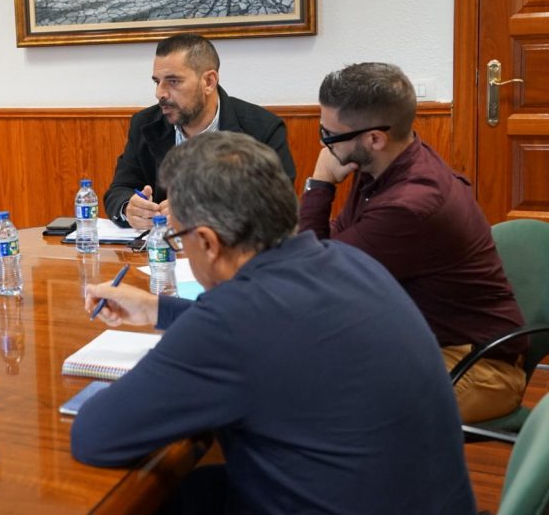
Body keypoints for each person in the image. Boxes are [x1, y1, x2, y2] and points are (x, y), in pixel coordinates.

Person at [73, 132, 474, 514]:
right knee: (200, 485)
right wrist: (158, 310)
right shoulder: (348, 261)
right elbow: (277, 332)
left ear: (209, 243)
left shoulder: (234, 320)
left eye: (178, 236)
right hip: (421, 500)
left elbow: (95, 436)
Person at [299, 62, 526, 424]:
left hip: (479, 367)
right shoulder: (381, 166)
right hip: (420, 343)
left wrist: (320, 183)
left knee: (329, 412)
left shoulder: (408, 205)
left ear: (374, 138)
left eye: (329, 136)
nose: (324, 146)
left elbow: (313, 278)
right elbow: (325, 253)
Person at [105, 33, 295, 230]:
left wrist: (200, 211)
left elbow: (277, 206)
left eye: (173, 81)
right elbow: (119, 190)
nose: (160, 93)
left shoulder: (262, 129)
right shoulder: (145, 124)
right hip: (161, 253)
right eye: (157, 82)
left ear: (209, 82)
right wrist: (129, 208)